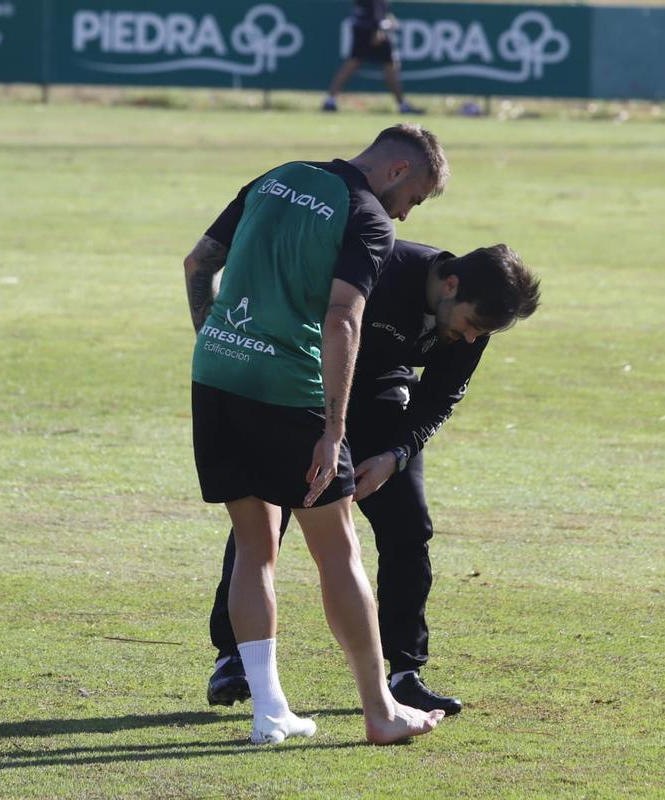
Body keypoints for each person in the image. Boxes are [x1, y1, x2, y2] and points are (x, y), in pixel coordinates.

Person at [185, 125, 448, 745]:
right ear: (397, 168)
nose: (409, 211)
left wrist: (214, 339)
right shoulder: (367, 218)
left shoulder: (275, 177)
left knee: (254, 548)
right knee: (340, 552)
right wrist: (334, 429)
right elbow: (344, 316)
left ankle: (269, 709)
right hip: (289, 392)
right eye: (417, 195)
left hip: (216, 375)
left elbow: (199, 263)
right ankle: (380, 712)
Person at [206, 240, 542, 718]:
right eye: (471, 325)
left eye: (481, 333)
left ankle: (405, 672)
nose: (471, 339)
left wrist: (394, 455)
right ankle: (233, 658)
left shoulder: (475, 321)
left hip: (383, 403)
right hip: (305, 390)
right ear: (451, 284)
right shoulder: (381, 267)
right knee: (264, 522)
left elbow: (440, 397)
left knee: (409, 527)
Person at [322, 0, 422, 115]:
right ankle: (402, 105)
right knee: (388, 65)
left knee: (354, 64)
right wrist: (379, 28)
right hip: (371, 29)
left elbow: (378, 9)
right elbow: (375, 7)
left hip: (364, 27)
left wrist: (385, 19)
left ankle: (330, 100)